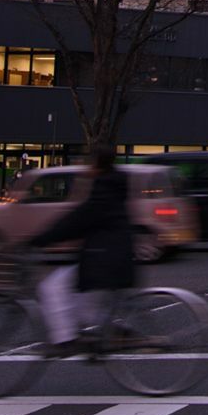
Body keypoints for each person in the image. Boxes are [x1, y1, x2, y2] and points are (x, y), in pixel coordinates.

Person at [29, 143, 135, 357]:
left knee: (52, 288)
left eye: (88, 160)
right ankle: (108, 338)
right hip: (112, 259)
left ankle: (64, 340)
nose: (85, 165)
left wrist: (42, 239)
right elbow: (84, 219)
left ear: (96, 163)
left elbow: (78, 219)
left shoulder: (102, 191)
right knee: (87, 311)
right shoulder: (113, 184)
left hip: (102, 261)